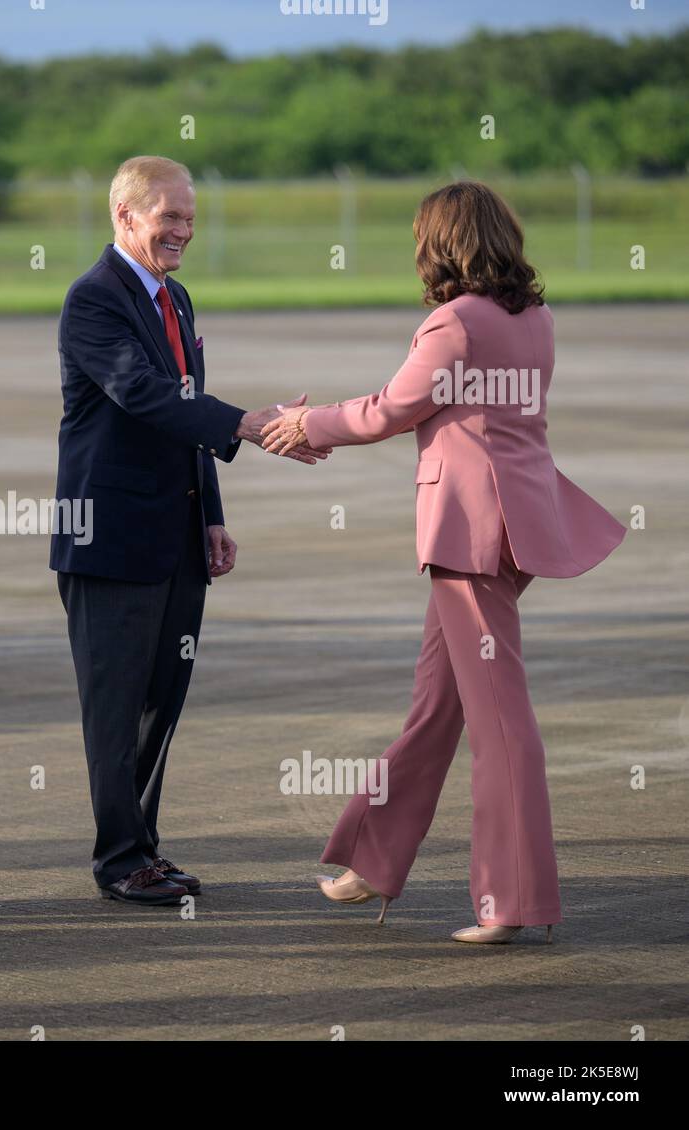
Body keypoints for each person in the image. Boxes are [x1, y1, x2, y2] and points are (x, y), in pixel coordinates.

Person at [261, 181, 625, 944]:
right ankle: (374, 860)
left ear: (442, 244)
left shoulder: (454, 323)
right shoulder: (537, 318)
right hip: (517, 525)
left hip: (471, 534)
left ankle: (512, 900)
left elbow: (391, 408)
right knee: (437, 708)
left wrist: (303, 422)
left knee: (500, 722)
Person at [50, 155, 329, 906]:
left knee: (158, 701)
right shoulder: (93, 301)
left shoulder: (176, 299)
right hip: (108, 538)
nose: (183, 231)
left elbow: (184, 406)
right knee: (114, 707)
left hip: (173, 534)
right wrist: (250, 423)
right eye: (169, 217)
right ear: (125, 216)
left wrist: (211, 514)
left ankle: (142, 847)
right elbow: (141, 395)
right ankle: (118, 861)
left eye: (190, 219)